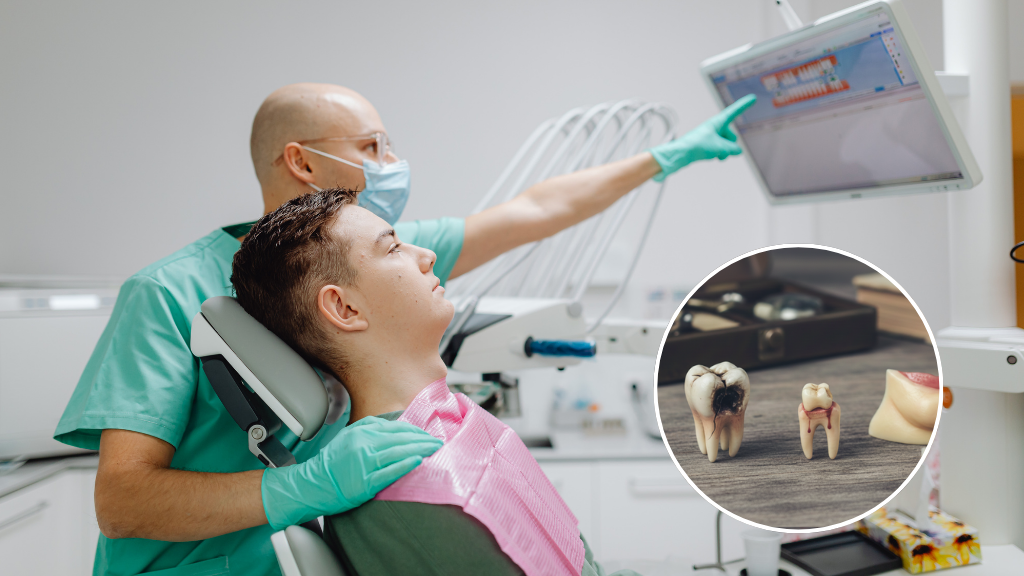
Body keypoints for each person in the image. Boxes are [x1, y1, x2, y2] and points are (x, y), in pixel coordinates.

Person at [54, 81, 754, 576]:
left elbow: (533, 210)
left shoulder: (375, 253)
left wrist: (663, 159)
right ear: (300, 160)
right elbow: (121, 502)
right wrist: (302, 487)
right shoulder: (170, 293)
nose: (390, 162)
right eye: (371, 144)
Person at [232, 187, 641, 576]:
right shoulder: (408, 485)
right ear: (344, 307)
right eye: (393, 248)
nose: (426, 256)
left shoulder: (451, 423)